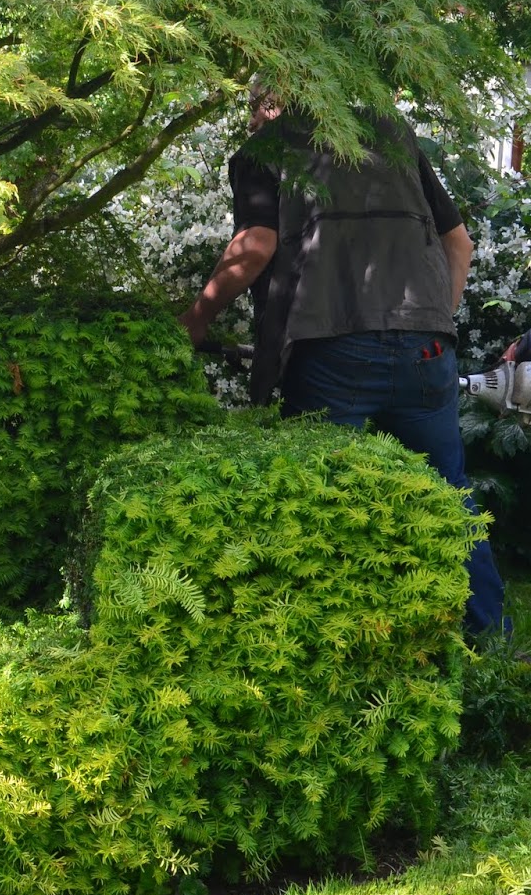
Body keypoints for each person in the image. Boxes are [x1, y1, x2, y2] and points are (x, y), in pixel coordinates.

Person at [177, 88, 506, 636]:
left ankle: (319, 650)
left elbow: (255, 247)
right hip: (427, 347)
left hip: (331, 349)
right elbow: (460, 246)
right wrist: (433, 326)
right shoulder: (393, 136)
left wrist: (195, 321)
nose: (255, 115)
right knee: (450, 497)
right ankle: (491, 647)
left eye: (257, 104)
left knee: (316, 502)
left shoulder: (268, 149)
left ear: (273, 105)